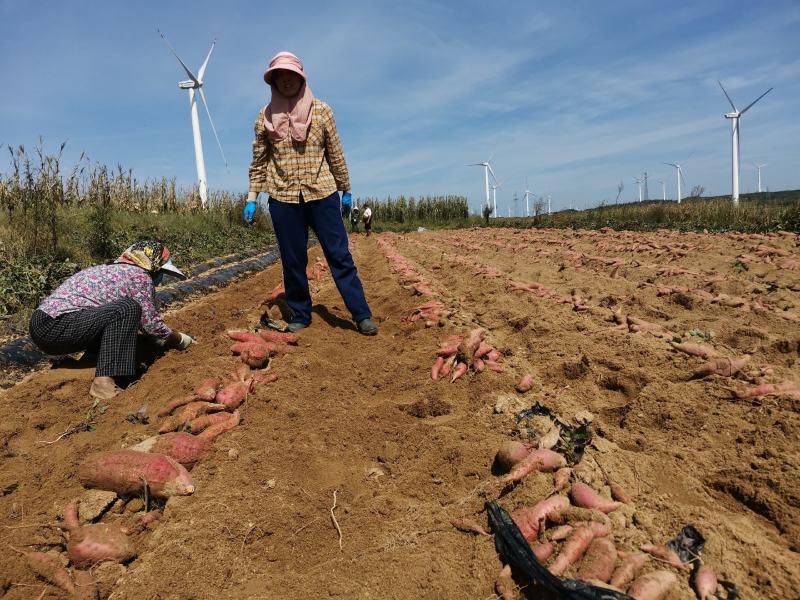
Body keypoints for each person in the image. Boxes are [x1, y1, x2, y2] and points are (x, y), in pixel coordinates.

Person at [243, 51, 378, 336]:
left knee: (339, 255)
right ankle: (301, 314)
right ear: (273, 81)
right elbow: (259, 161)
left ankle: (361, 314)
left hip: (322, 194)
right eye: (281, 76)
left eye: (291, 75)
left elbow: (336, 153)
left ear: (301, 77)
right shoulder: (264, 117)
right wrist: (252, 198)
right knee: (293, 261)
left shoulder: (322, 110)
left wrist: (346, 190)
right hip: (282, 198)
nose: (286, 81)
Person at [28, 240, 194, 400]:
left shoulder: (105, 269)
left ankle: (92, 361)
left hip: (42, 323)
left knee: (114, 316)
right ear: (153, 266)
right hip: (57, 325)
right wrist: (180, 339)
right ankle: (103, 383)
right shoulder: (139, 275)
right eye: (161, 272)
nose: (160, 277)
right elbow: (152, 326)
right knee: (127, 308)